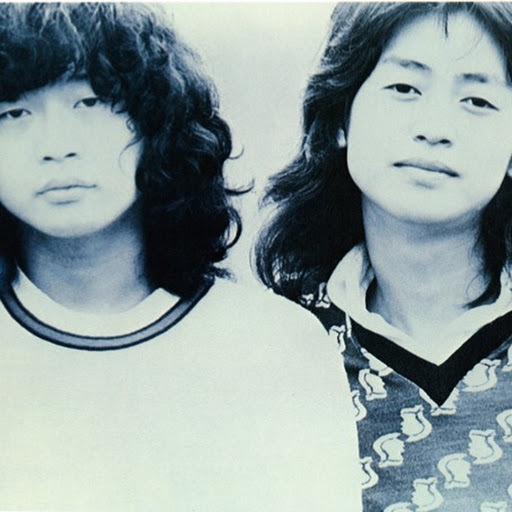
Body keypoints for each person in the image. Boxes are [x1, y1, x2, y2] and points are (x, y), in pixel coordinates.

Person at [0, 4, 361, 510]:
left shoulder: (273, 347)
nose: (56, 146)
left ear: (158, 119)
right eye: (13, 113)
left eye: (91, 102)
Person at [256, 2, 512, 510]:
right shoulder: (272, 350)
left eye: (477, 100)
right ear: (340, 118)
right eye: (404, 88)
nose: (435, 128)